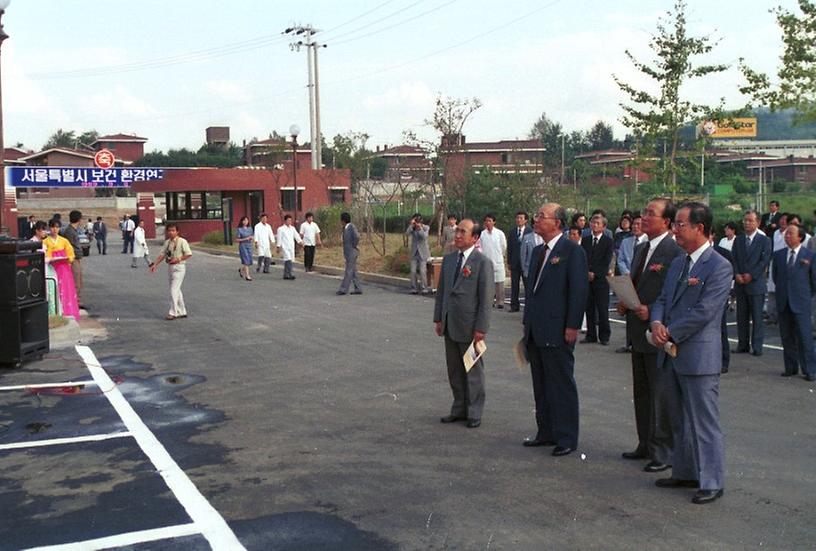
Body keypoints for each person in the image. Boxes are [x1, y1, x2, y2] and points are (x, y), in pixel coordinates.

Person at [650, 201, 732, 505]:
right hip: (670, 352)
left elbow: (705, 311)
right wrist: (657, 321)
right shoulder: (678, 263)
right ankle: (684, 471)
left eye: (681, 224)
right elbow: (661, 298)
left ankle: (712, 480)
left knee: (703, 422)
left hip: (698, 356)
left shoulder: (719, 266)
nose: (675, 230)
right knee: (678, 419)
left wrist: (670, 331)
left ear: (700, 228)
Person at [617, 198, 683, 472]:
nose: (643, 217)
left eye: (650, 213)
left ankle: (663, 451)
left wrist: (653, 312)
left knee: (660, 394)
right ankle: (645, 443)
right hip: (637, 330)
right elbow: (637, 284)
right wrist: (625, 300)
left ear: (666, 222)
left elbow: (672, 294)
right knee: (642, 392)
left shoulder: (674, 250)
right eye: (643, 212)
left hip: (657, 332)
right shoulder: (642, 247)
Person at [522, 203, 589, 456]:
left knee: (561, 384)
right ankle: (546, 431)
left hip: (559, 329)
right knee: (541, 385)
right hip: (536, 329)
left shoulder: (571, 251)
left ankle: (567, 437)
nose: (535, 220)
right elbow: (533, 292)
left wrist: (573, 325)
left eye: (541, 216)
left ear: (557, 223)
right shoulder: (540, 250)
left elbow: (578, 291)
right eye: (536, 215)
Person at [433, 218, 493, 429]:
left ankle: (474, 412)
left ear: (475, 238)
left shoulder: (482, 263)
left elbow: (486, 299)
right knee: (455, 370)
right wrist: (439, 318)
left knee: (473, 371)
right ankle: (459, 408)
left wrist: (481, 328)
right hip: (450, 324)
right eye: (457, 231)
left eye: (463, 232)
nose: (457, 235)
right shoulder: (449, 260)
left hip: (470, 328)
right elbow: (442, 292)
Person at [773, 223, 816, 381]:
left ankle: (810, 370)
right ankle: (790, 367)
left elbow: (813, 282)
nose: (787, 235)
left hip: (801, 301)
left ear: (800, 237)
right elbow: (776, 277)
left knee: (805, 337)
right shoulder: (778, 255)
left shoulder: (809, 256)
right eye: (786, 233)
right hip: (784, 301)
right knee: (787, 337)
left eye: (791, 233)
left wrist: (805, 296)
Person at [732, 210, 772, 356]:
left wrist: (752, 275)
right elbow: (734, 258)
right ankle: (742, 345)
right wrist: (736, 273)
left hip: (755, 284)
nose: (746, 223)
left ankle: (757, 346)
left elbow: (764, 261)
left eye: (750, 220)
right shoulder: (739, 239)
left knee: (757, 317)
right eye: (745, 220)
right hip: (740, 283)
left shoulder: (764, 240)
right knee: (741, 317)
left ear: (758, 222)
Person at [581, 213, 614, 345]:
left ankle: (604, 336)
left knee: (602, 308)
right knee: (589, 308)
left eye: (597, 223)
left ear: (604, 226)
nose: (594, 226)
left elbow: (606, 261)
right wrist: (587, 272)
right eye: (593, 223)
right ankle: (591, 335)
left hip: (601, 280)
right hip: (587, 279)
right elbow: (582, 258)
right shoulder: (585, 240)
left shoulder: (608, 241)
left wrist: (595, 273)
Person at [149, 223, 192, 320]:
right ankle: (182, 310)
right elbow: (162, 254)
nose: (171, 232)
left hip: (179, 267)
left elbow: (189, 254)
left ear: (177, 232)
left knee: (173, 289)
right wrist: (155, 264)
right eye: (169, 230)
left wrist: (178, 259)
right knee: (177, 289)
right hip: (170, 267)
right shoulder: (167, 242)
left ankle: (173, 312)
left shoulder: (182, 241)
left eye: (173, 230)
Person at [44, 219, 80, 320]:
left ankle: (68, 312)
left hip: (64, 269)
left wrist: (68, 258)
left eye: (57, 227)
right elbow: (45, 255)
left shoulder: (64, 241)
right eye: (52, 227)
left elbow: (71, 254)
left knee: (66, 290)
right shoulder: (45, 241)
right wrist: (50, 258)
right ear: (49, 228)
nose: (55, 229)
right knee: (54, 290)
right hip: (51, 268)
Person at [479, 214, 507, 309]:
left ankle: (500, 301)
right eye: (486, 221)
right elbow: (481, 247)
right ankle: (489, 301)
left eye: (490, 220)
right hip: (487, 260)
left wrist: (500, 256)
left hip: (498, 259)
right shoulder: (482, 234)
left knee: (499, 283)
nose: (488, 222)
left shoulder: (499, 233)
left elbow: (504, 246)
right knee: (488, 283)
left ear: (494, 222)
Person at [507, 211, 533, 312]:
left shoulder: (530, 231)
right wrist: (509, 262)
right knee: (514, 285)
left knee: (527, 286)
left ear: (525, 220)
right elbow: (510, 248)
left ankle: (529, 307)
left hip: (526, 263)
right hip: (515, 263)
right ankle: (514, 306)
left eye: (521, 218)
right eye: (517, 218)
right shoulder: (512, 232)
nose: (519, 220)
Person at [61, 210, 84, 307]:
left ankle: (77, 300)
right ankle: (75, 302)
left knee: (79, 280)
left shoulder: (72, 230)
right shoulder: (69, 231)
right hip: (73, 258)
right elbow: (71, 247)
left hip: (77, 258)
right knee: (75, 281)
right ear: (79, 219)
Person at [337, 212, 362, 295]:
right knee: (353, 271)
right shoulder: (345, 228)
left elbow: (357, 236)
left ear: (343, 220)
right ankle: (358, 288)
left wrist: (353, 245)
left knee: (348, 271)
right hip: (348, 252)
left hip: (352, 252)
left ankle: (343, 289)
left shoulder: (351, 227)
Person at [405, 214, 431, 294]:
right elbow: (407, 233)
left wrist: (419, 228)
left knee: (422, 271)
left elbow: (424, 237)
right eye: (415, 220)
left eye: (418, 220)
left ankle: (424, 288)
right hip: (414, 252)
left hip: (423, 253)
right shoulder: (412, 228)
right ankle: (414, 288)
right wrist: (411, 225)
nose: (416, 222)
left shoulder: (426, 228)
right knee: (413, 271)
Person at [277, 214, 303, 280]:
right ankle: (290, 274)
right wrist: (278, 246)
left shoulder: (292, 228)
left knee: (289, 260)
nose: (290, 222)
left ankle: (286, 274)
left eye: (290, 220)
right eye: (288, 220)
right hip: (285, 247)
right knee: (288, 260)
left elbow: (296, 236)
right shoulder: (281, 229)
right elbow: (279, 238)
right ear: (285, 221)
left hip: (291, 247)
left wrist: (300, 242)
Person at [236, 216, 254, 281]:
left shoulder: (250, 228)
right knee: (246, 260)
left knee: (249, 261)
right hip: (243, 246)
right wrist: (245, 239)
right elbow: (237, 239)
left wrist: (251, 238)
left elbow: (252, 236)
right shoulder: (239, 229)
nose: (245, 222)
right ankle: (247, 276)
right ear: (241, 221)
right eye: (244, 220)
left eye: (247, 220)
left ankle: (241, 269)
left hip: (249, 245)